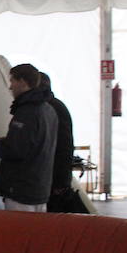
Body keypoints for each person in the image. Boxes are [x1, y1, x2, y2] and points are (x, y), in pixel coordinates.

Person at [0, 64, 57, 213]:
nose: (10, 87)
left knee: (18, 234)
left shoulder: (27, 112)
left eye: (13, 81)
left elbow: (16, 150)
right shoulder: (48, 110)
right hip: (40, 188)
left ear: (23, 82)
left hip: (21, 190)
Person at [38, 73, 77, 212]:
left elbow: (64, 147)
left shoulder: (52, 109)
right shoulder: (52, 107)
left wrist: (60, 182)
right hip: (50, 178)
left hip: (53, 180)